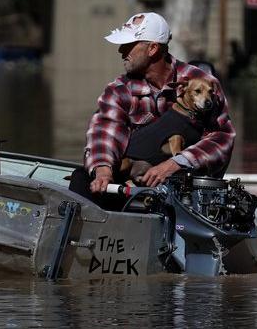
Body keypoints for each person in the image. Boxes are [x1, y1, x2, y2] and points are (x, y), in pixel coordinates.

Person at [79, 12, 235, 201]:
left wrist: (175, 163)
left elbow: (222, 138)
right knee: (80, 181)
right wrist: (103, 170)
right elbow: (104, 132)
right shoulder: (118, 90)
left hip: (191, 189)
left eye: (128, 45)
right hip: (135, 185)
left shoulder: (205, 83)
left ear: (152, 48)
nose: (121, 51)